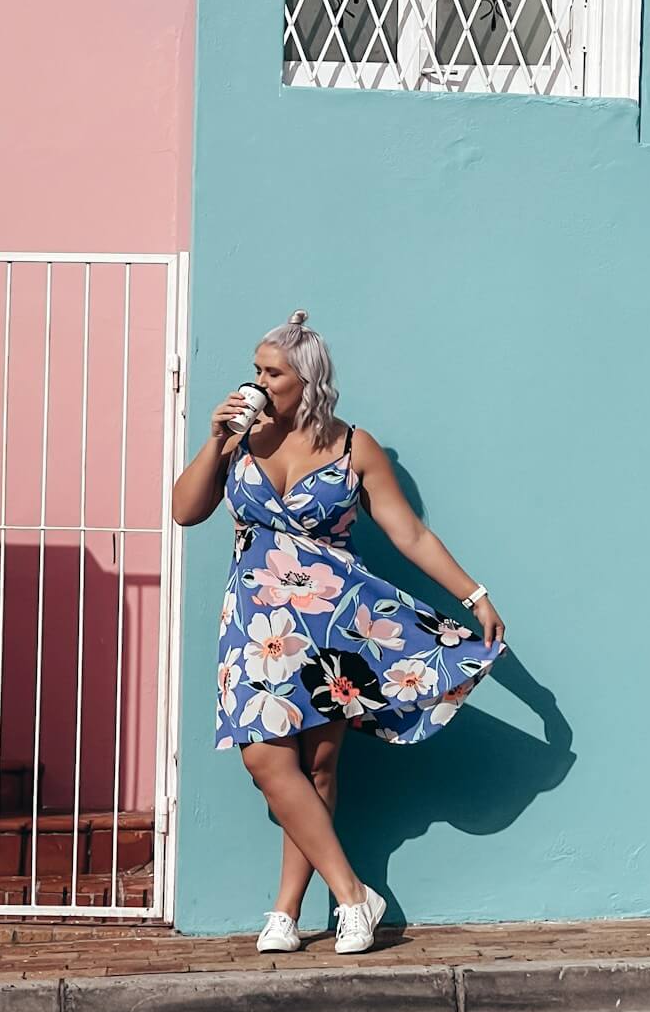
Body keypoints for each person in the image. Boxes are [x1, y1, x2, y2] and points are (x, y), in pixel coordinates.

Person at [170, 310, 507, 955]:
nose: (259, 382)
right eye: (256, 370)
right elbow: (186, 511)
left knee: (318, 765)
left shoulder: (355, 446)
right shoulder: (241, 437)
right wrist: (215, 440)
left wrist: (474, 595)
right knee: (265, 758)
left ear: (308, 381)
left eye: (273, 373)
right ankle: (354, 895)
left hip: (333, 621)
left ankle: (285, 912)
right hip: (257, 623)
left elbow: (409, 534)